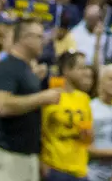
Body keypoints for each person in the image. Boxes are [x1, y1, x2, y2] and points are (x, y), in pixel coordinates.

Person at [0, 21, 60, 181]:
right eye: (40, 37)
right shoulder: (7, 67)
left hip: (26, 156)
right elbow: (2, 106)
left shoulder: (27, 70)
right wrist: (42, 97)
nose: (44, 41)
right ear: (25, 38)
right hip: (6, 155)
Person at [41, 52, 94, 181]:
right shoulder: (50, 97)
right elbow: (38, 133)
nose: (85, 73)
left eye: (86, 68)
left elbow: (88, 137)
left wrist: (88, 135)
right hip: (56, 169)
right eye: (80, 68)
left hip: (80, 171)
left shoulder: (84, 98)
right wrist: (42, 164)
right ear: (66, 70)